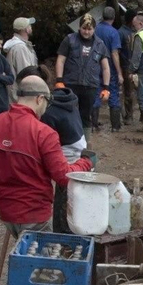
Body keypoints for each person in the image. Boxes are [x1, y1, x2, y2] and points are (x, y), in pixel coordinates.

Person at [0, 77, 94, 237]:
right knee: (39, 260)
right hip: (36, 215)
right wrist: (85, 162)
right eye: (47, 102)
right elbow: (63, 176)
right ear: (40, 99)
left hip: (7, 215)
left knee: (23, 255)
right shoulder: (43, 133)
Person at [39, 77, 88, 232]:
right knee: (75, 202)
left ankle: (63, 235)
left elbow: (44, 146)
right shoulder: (69, 100)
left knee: (63, 202)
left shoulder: (48, 114)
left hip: (69, 158)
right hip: (81, 148)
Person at [54, 14, 109, 134]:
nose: (86, 32)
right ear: (79, 28)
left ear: (94, 29)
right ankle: (68, 142)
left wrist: (106, 88)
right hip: (70, 84)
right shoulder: (69, 39)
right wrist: (59, 80)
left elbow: (105, 68)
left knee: (86, 117)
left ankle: (85, 145)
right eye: (84, 28)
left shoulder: (100, 44)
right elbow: (60, 60)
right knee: (68, 113)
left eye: (89, 29)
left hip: (90, 86)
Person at [93, 6, 124, 131]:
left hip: (95, 67)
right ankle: (115, 126)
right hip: (109, 68)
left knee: (95, 95)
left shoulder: (94, 30)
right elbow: (114, 53)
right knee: (113, 95)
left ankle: (93, 125)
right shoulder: (113, 33)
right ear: (114, 18)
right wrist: (119, 72)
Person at [4, 16, 37, 84]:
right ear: (26, 30)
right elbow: (25, 73)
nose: (31, 27)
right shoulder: (20, 48)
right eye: (29, 26)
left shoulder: (20, 45)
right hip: (22, 91)